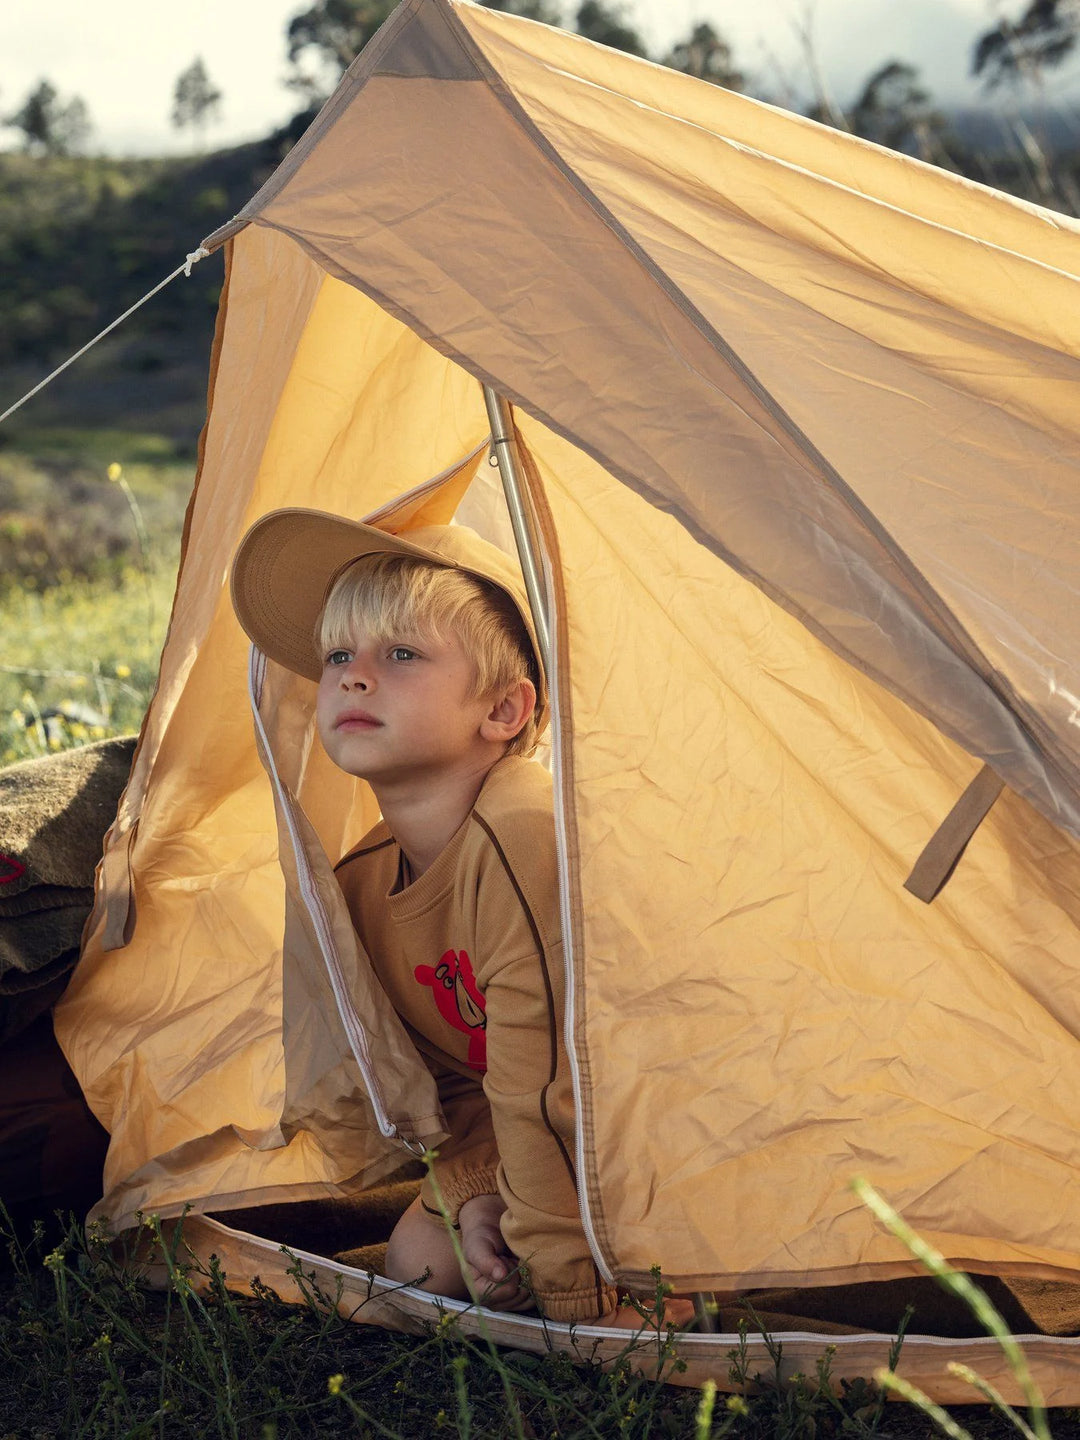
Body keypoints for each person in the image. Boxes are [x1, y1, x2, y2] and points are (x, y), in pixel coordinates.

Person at [232, 508, 691, 1328]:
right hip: (546, 1142)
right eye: (339, 655)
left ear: (505, 712)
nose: (353, 676)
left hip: (666, 1118)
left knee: (552, 1259)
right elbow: (460, 1081)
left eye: (401, 654)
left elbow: (549, 1084)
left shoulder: (523, 838)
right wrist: (482, 1192)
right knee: (426, 1263)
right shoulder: (365, 882)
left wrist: (574, 1296)